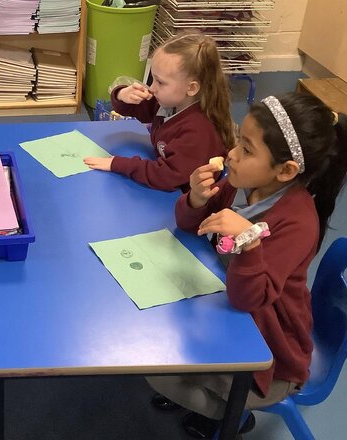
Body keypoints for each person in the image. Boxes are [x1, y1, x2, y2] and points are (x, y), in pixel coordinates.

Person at [148, 93, 347, 438]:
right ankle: (207, 396)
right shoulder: (244, 185)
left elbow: (249, 298)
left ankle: (228, 416)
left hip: (274, 350)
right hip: (230, 305)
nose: (232, 155)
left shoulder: (297, 223)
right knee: (160, 342)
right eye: (239, 140)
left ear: (285, 171)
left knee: (156, 371)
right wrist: (195, 199)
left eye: (247, 150)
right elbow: (188, 224)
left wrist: (250, 243)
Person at [84, 30, 234, 192]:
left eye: (161, 82)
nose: (152, 88)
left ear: (191, 88)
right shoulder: (172, 101)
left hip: (185, 202)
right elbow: (139, 108)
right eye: (152, 79)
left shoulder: (197, 132)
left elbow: (167, 176)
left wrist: (118, 164)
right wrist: (122, 95)